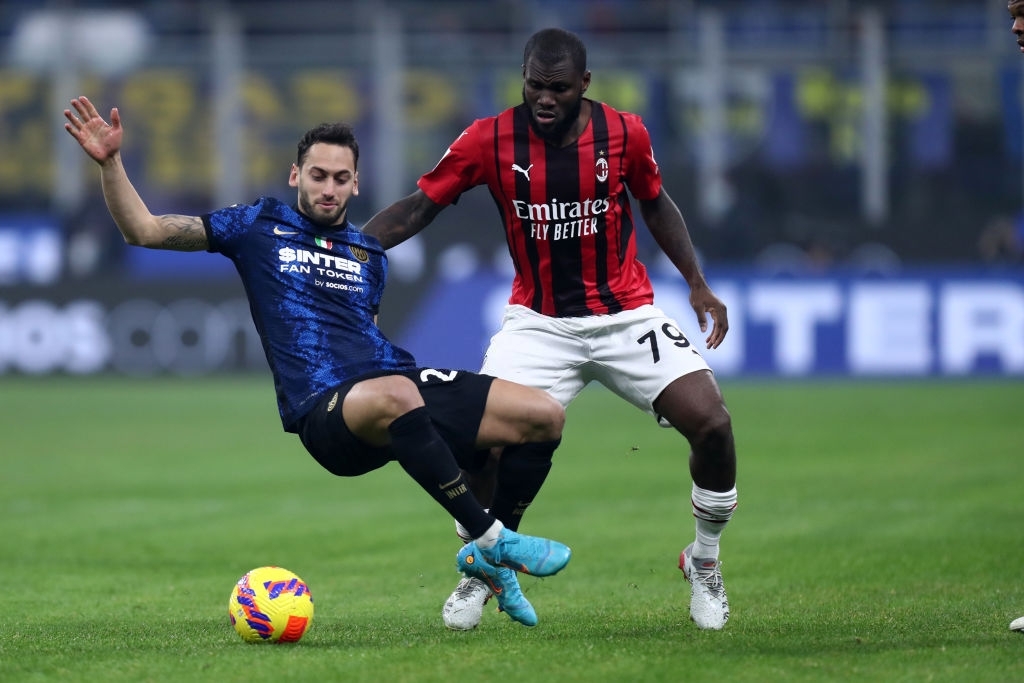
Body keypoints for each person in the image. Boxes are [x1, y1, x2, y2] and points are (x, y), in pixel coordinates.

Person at [62, 95, 572, 627]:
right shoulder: (257, 225)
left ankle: (487, 565)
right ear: (295, 175)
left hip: (392, 383)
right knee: (397, 394)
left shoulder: (367, 254)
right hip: (326, 411)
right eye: (317, 175)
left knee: (542, 416)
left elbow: (366, 335)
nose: (328, 188)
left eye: (340, 178)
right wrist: (111, 163)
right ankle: (497, 541)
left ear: (356, 183)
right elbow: (143, 230)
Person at [362, 27, 737, 631]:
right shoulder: (488, 139)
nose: (543, 98)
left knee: (713, 425)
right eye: (534, 84)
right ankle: (484, 566)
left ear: (584, 85)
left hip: (625, 314)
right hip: (537, 324)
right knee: (480, 443)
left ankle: (704, 561)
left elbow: (656, 202)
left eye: (558, 88)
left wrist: (695, 280)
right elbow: (418, 206)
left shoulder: (625, 132)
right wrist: (348, 248)